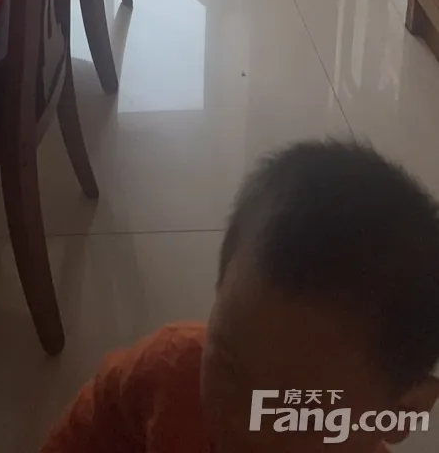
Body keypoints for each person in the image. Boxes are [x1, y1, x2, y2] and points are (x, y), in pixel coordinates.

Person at [41, 140, 439, 453]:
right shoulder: (168, 369)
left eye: (295, 410)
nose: (245, 426)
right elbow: (89, 428)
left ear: (400, 413)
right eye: (229, 370)